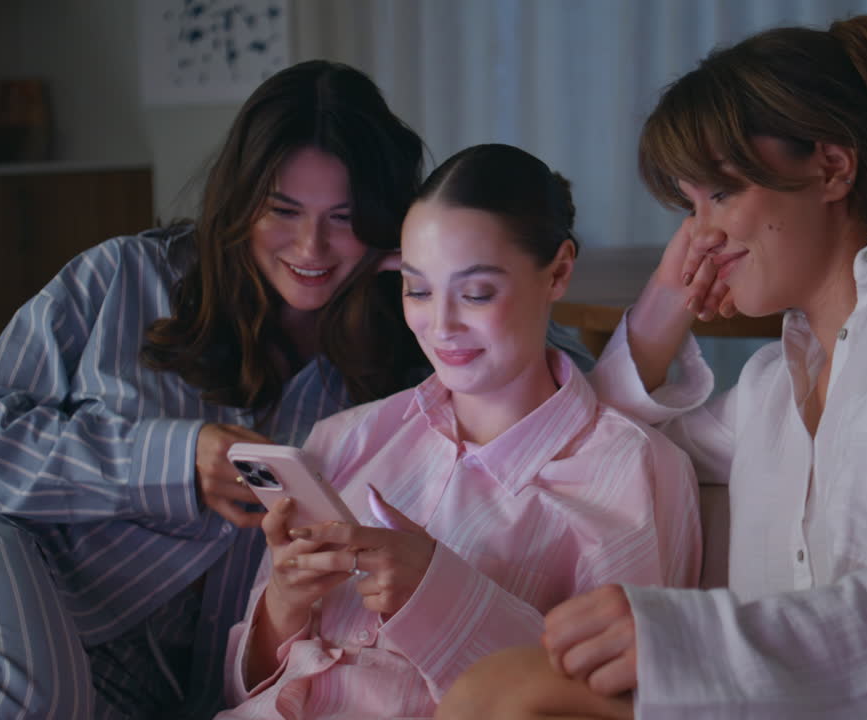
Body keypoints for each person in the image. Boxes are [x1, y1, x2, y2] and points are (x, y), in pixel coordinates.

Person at [437, 15, 867, 719]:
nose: (698, 234)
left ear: (831, 166)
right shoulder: (768, 392)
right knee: (499, 684)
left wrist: (698, 648)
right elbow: (594, 448)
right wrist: (659, 310)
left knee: (510, 693)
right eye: (687, 205)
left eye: (719, 193)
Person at [0, 61, 589, 719]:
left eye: (344, 220)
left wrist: (449, 270)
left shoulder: (408, 343)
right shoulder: (127, 279)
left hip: (129, 671)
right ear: (240, 200)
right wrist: (172, 458)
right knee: (32, 695)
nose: (311, 250)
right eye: (283, 211)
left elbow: (539, 355)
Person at [216, 143, 702, 719]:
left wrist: (437, 592)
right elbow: (239, 691)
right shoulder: (345, 439)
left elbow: (620, 706)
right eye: (417, 290)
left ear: (560, 271)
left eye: (475, 293)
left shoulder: (634, 473)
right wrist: (284, 604)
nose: (440, 325)